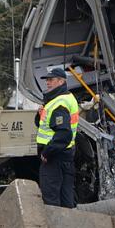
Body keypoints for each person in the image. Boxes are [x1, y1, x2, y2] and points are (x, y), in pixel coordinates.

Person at [35, 67, 79, 208]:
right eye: (47, 80)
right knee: (66, 197)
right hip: (65, 154)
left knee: (51, 199)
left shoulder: (59, 103)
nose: (48, 83)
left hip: (54, 157)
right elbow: (44, 125)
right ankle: (67, 227)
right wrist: (39, 114)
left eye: (51, 80)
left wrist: (47, 152)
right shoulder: (65, 98)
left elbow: (64, 133)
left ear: (61, 81)